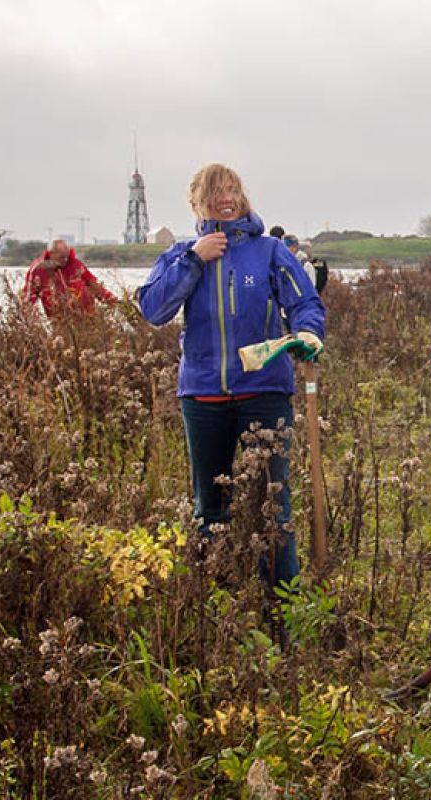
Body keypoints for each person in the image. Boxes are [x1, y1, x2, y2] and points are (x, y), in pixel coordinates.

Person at [137, 163, 325, 601]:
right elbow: (153, 309)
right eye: (215, 192)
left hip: (264, 392)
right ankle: (215, 603)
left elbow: (305, 302)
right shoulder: (183, 254)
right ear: (197, 203)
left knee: (272, 506)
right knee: (211, 507)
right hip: (202, 396)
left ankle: (283, 606)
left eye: (232, 190)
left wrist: (309, 331)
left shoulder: (269, 251)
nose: (226, 198)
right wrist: (194, 260)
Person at [22, 239, 117, 318]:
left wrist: (114, 302)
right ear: (51, 254)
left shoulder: (75, 265)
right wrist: (30, 321)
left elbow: (95, 287)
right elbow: (28, 299)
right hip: (60, 320)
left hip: (87, 317)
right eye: (61, 257)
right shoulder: (38, 270)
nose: (65, 260)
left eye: (67, 256)